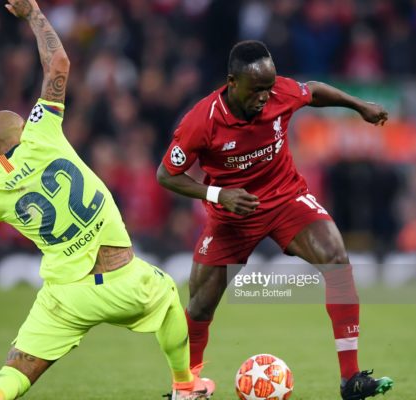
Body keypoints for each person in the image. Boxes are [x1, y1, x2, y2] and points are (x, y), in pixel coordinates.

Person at [0, 1, 215, 399]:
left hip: (66, 295)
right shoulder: (42, 131)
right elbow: (58, 63)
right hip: (121, 280)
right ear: (24, 127)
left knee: (19, 364)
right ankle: (185, 387)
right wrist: (33, 14)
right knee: (166, 295)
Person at [157, 40, 394, 400]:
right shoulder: (201, 121)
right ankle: (186, 390)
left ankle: (351, 379)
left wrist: (358, 106)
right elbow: (165, 174)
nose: (265, 97)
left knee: (337, 260)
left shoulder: (278, 91)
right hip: (232, 217)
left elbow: (312, 91)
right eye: (256, 90)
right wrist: (219, 194)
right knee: (201, 305)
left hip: (286, 198)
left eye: (269, 88)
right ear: (231, 82)